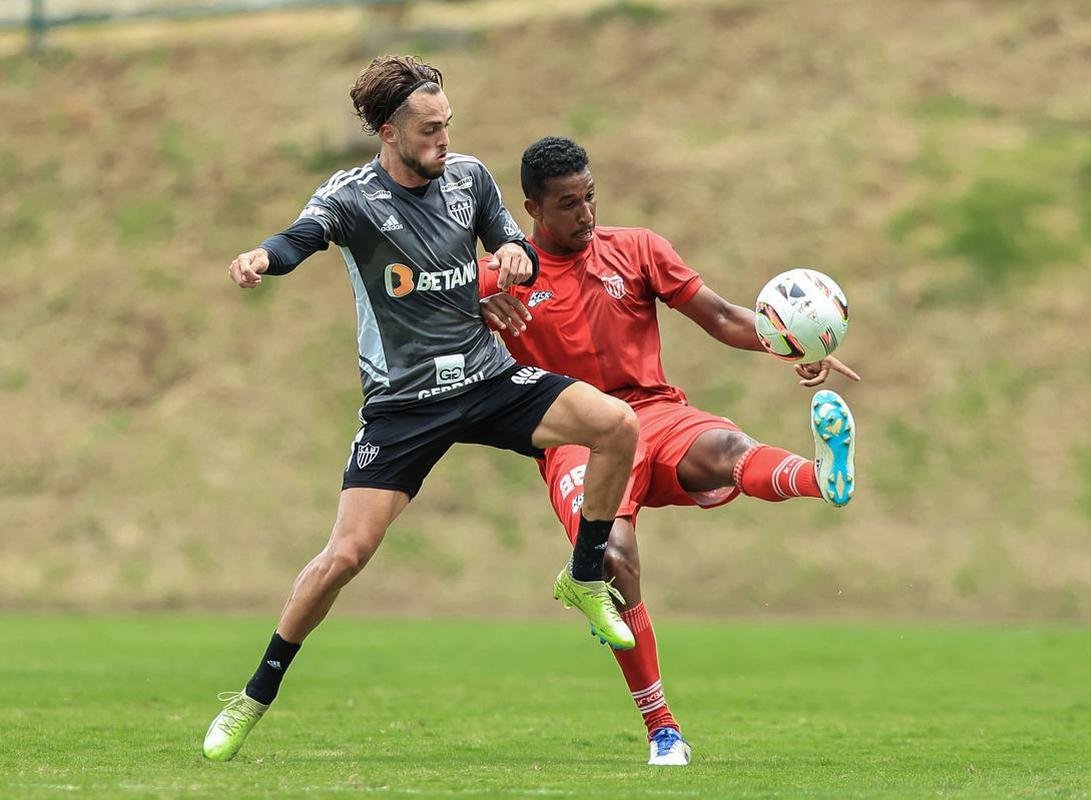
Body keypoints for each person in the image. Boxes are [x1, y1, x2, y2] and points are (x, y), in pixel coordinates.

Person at [202, 60, 643, 763]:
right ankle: (253, 695)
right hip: (403, 407)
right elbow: (299, 239)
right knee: (345, 556)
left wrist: (514, 256)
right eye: (430, 130)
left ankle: (583, 574)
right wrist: (262, 256)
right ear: (389, 132)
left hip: (487, 378)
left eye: (448, 126)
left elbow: (509, 238)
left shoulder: (469, 178)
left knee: (617, 425)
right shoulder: (351, 197)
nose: (444, 139)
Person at [478, 136, 860, 767]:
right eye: (569, 204)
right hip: (576, 437)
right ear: (532, 210)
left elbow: (721, 317)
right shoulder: (504, 279)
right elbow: (433, 325)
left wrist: (789, 344)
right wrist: (480, 307)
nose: (586, 214)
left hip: (655, 414)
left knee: (728, 447)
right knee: (615, 559)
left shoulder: (637, 249)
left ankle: (821, 477)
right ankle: (662, 729)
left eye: (590, 197)